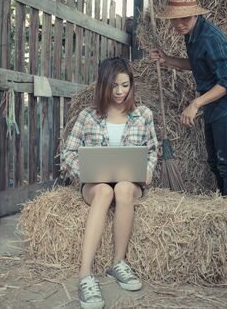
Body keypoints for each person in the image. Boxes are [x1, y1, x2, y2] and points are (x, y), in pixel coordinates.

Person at [61, 57, 158, 309]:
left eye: (125, 85)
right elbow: (68, 153)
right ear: (103, 85)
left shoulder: (143, 115)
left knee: (124, 188)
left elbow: (152, 151)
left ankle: (118, 264)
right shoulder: (88, 116)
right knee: (104, 191)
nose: (119, 92)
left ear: (131, 84)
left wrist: (147, 170)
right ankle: (85, 275)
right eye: (114, 86)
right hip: (96, 184)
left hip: (129, 182)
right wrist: (85, 172)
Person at [150, 0, 227, 199]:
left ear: (195, 13)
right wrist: (167, 59)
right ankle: (224, 208)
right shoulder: (192, 35)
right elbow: (197, 64)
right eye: (175, 19)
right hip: (216, 109)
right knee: (216, 163)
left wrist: (195, 104)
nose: (179, 23)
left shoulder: (211, 38)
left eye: (184, 18)